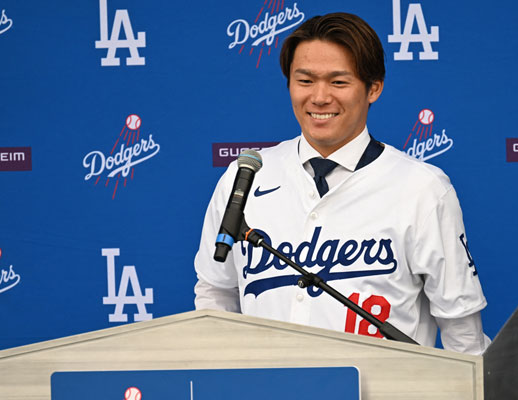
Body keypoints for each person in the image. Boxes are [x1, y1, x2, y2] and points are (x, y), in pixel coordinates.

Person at [194, 12, 489, 354]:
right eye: (305, 81)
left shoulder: (422, 189)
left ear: (373, 88)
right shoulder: (246, 175)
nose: (319, 98)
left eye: (338, 82)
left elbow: (462, 331)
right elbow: (216, 293)